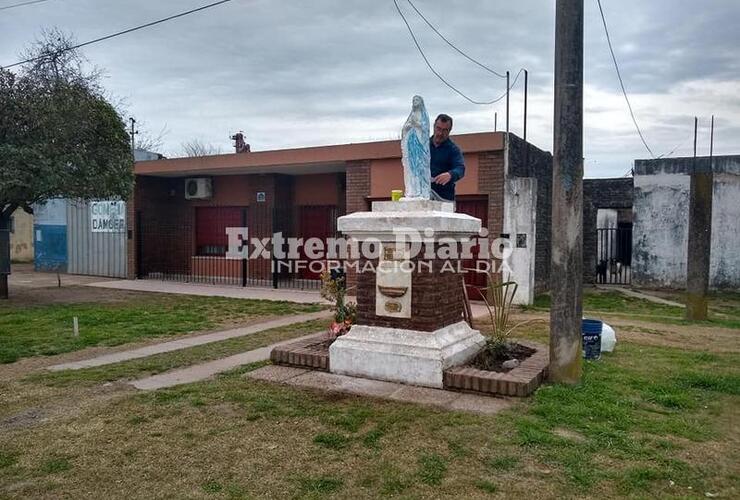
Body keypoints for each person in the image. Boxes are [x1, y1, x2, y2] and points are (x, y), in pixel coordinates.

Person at [429, 114, 465, 202]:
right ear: (434, 127)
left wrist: (450, 174)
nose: (440, 133)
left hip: (444, 198)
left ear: (450, 131)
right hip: (424, 193)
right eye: (438, 128)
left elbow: (460, 168)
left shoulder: (453, 150)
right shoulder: (423, 146)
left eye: (445, 130)